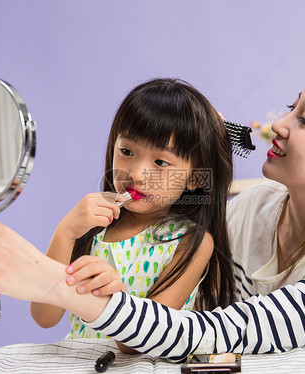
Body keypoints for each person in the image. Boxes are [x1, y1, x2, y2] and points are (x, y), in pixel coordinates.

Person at [0, 49, 305, 360]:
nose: (283, 123)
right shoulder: (254, 208)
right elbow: (227, 145)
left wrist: (53, 284)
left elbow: (216, 331)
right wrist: (197, 130)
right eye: (292, 105)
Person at [28, 78, 237, 351]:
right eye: (126, 151)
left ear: (195, 178)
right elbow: (44, 317)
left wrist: (116, 297)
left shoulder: (190, 241)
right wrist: (65, 232)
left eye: (161, 162)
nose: (136, 174)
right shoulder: (95, 225)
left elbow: (137, 344)